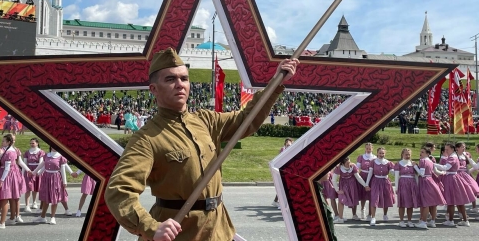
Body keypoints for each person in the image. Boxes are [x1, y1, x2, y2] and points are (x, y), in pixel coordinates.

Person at [104, 48, 298, 240]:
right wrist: (151, 227)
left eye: (184, 78)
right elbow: (119, 191)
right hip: (181, 234)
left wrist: (276, 82)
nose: (179, 84)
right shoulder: (147, 139)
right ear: (153, 89)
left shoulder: (206, 120)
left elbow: (246, 119)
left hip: (219, 230)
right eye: (170, 79)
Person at [434, 142, 477, 226]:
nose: (445, 151)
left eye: (447, 149)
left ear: (452, 149)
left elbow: (445, 167)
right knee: (458, 201)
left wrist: (432, 164)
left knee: (451, 201)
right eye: (445, 149)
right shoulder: (453, 156)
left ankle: (451, 220)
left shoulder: (452, 157)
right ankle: (464, 220)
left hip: (452, 178)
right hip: (453, 178)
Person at [31, 147, 68, 225]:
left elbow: (62, 170)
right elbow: (43, 165)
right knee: (45, 197)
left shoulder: (60, 157)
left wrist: (64, 182)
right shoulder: (47, 155)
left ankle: (53, 217)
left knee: (54, 197)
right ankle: (42, 217)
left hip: (55, 177)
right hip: (46, 177)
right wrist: (35, 172)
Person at [414, 146, 446, 228]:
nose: (420, 153)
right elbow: (435, 171)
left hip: (425, 181)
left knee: (425, 203)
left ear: (428, 154)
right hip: (431, 181)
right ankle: (432, 221)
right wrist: (443, 173)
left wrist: (415, 166)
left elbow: (421, 173)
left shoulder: (423, 161)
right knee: (432, 203)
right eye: (420, 152)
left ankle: (423, 222)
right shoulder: (430, 161)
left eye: (422, 152)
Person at [331, 156, 369, 223]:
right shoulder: (338, 168)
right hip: (343, 184)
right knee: (341, 199)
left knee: (354, 197)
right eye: (347, 163)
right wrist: (337, 190)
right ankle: (340, 218)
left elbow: (358, 177)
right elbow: (333, 180)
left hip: (352, 184)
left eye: (349, 162)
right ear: (343, 163)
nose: (349, 164)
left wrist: (365, 185)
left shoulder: (353, 166)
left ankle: (354, 215)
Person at [365, 147, 395, 226]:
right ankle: (373, 217)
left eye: (383, 153)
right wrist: (367, 184)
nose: (381, 155)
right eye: (380, 153)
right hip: (376, 181)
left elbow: (393, 172)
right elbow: (370, 173)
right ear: (377, 153)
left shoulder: (388, 163)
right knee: (374, 199)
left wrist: (397, 171)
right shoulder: (373, 162)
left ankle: (385, 214)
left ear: (385, 154)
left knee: (386, 198)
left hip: (385, 182)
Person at [394, 148, 420, 228]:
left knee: (410, 204)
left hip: (412, 184)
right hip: (403, 184)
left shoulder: (413, 164)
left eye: (409, 154)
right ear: (402, 154)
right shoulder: (399, 164)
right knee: (402, 203)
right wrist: (396, 187)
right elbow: (396, 176)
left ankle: (409, 220)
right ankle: (401, 221)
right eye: (406, 154)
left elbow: (416, 175)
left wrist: (417, 185)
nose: (407, 156)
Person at [23, 138, 45, 212]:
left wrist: (37, 172)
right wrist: (24, 173)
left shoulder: (41, 152)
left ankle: (34, 202)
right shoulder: (27, 152)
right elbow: (24, 163)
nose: (32, 144)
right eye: (31, 143)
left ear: (37, 143)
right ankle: (27, 205)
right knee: (28, 188)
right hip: (29, 171)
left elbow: (41, 163)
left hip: (36, 170)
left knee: (35, 188)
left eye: (33, 143)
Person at [356, 142, 375, 220]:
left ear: (372, 149)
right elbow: (357, 167)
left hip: (372, 177)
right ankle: (362, 209)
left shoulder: (375, 158)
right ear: (365, 148)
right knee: (363, 195)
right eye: (367, 148)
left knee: (371, 196)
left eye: (370, 148)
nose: (368, 150)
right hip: (363, 176)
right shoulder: (361, 157)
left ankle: (370, 214)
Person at [272, 138, 293, 208]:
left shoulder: (291, 150)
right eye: (287, 143)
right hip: (283, 171)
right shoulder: (283, 150)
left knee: (283, 187)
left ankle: (276, 201)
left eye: (290, 143)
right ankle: (280, 203)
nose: (289, 145)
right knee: (282, 187)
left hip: (288, 171)